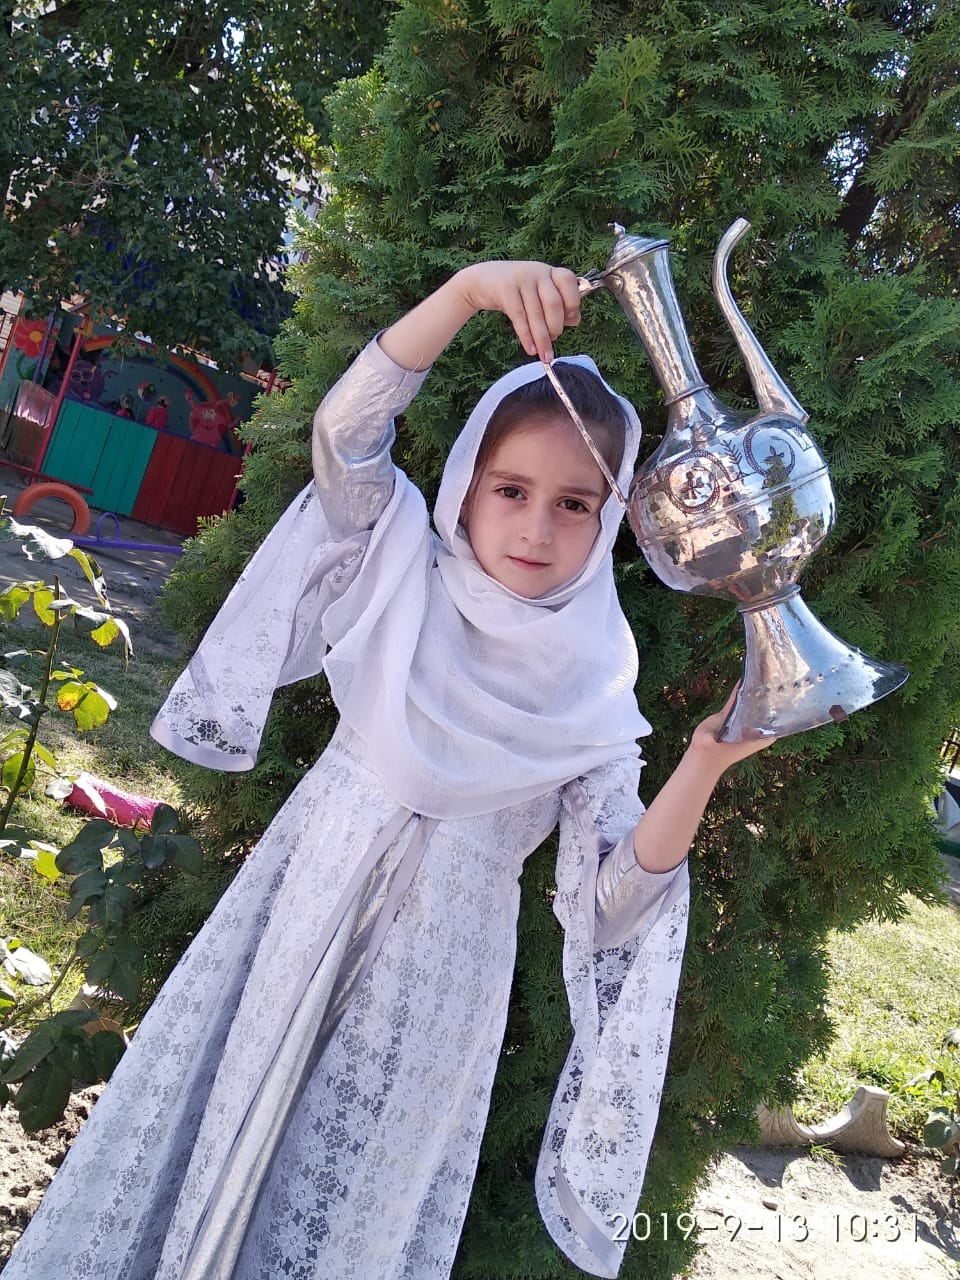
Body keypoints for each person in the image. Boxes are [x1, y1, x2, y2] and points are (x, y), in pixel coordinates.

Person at [3, 262, 774, 1280]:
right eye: (510, 489)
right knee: (220, 1139)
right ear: (467, 484)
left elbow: (613, 899)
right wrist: (467, 293)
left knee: (344, 1211)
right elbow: (347, 435)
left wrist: (706, 762)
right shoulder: (398, 558)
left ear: (609, 521)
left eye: (575, 503)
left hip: (436, 987)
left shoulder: (593, 690)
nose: (536, 526)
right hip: (297, 907)